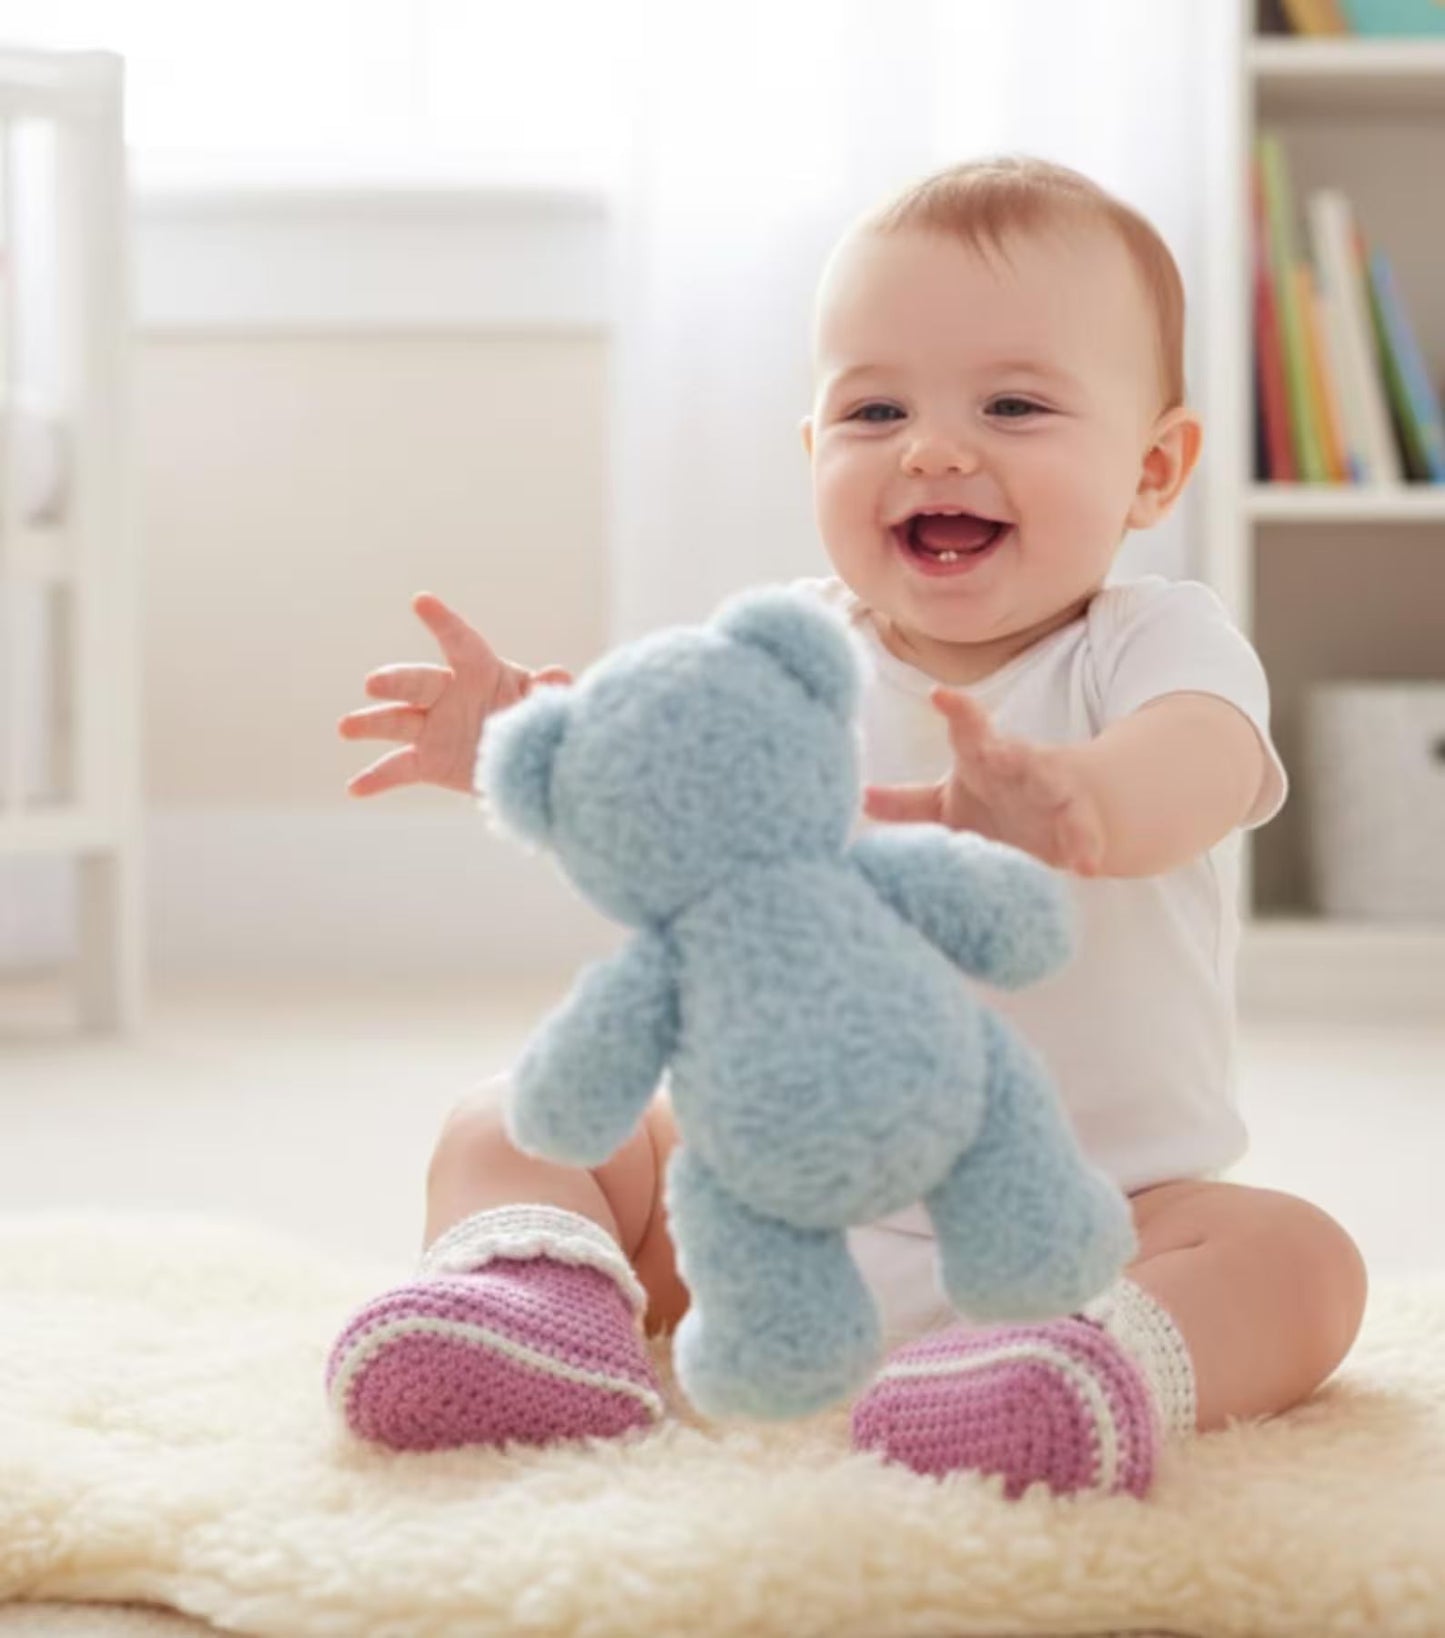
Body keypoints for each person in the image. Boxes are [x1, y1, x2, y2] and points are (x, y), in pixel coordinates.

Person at [324, 156, 1367, 1499]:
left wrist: (1084, 799)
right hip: (767, 1213)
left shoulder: (1147, 642)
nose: (933, 447)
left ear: (1151, 469)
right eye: (874, 408)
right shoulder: (789, 650)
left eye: (1013, 402)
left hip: (1084, 1223)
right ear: (815, 453)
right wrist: (527, 745)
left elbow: (1206, 761)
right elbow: (648, 788)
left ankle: (1075, 1375)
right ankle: (533, 1311)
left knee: (1296, 1261)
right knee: (509, 1117)